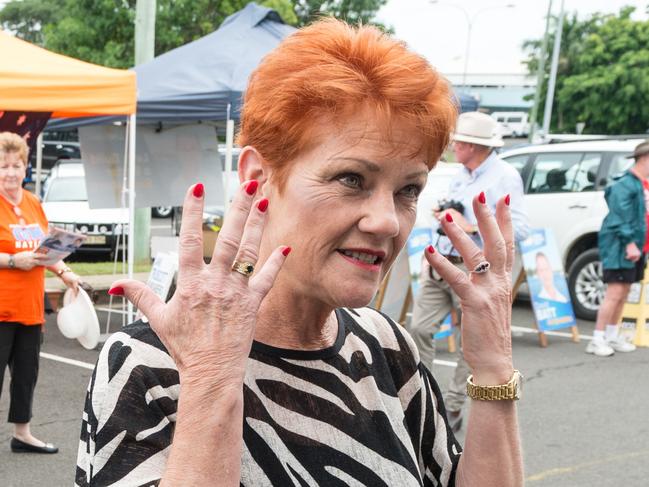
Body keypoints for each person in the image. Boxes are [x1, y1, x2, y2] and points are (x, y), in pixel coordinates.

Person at [76, 20, 523, 486]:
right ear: (259, 178)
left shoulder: (385, 348)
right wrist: (211, 379)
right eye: (352, 179)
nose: (388, 221)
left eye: (408, 189)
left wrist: (494, 368)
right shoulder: (149, 363)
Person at [408, 111, 529, 433]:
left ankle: (452, 405)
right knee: (418, 328)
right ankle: (424, 398)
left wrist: (468, 226)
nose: (452, 146)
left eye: (457, 141)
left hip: (474, 269)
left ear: (472, 146)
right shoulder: (462, 173)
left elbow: (519, 229)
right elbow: (454, 214)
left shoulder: (505, 175)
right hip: (443, 263)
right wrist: (445, 217)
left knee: (468, 344)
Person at [0, 131, 82, 454]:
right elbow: (18, 255)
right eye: (3, 165)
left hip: (31, 309)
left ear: (26, 167)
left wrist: (65, 272)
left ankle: (23, 434)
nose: (10, 172)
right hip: (1, 308)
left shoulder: (34, 203)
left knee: (26, 375)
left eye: (16, 165)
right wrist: (10, 261)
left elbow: (46, 249)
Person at [586, 140, 649, 357]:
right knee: (614, 292)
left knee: (624, 292)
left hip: (637, 246)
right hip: (620, 246)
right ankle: (597, 338)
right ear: (645, 158)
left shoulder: (641, 184)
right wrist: (630, 243)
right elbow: (618, 218)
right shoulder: (625, 184)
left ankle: (612, 335)